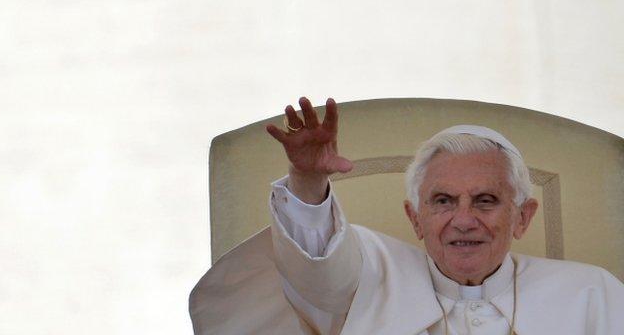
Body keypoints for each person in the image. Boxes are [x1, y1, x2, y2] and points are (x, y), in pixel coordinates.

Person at [189, 97, 624, 335]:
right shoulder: (370, 274)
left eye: (486, 200)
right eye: (442, 201)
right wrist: (306, 180)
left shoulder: (592, 294)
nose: (464, 219)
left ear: (523, 217)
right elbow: (315, 273)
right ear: (415, 219)